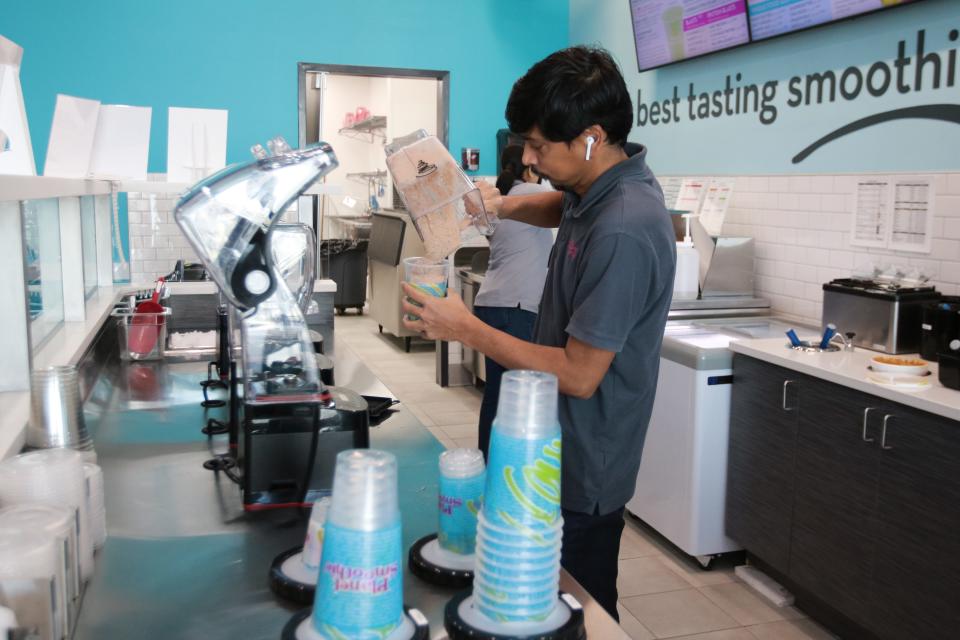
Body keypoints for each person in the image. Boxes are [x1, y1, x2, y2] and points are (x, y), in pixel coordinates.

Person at [401, 46, 675, 620]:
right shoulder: (594, 188)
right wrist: (499, 206)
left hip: (583, 462)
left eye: (538, 146)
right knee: (534, 596)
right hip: (548, 445)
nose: (528, 157)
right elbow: (559, 207)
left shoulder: (625, 226)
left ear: (591, 137)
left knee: (581, 606)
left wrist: (468, 328)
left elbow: (579, 375)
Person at [474, 144, 554, 459]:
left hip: (490, 302)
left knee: (495, 395)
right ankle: (510, 466)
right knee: (517, 398)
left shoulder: (497, 201)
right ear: (529, 166)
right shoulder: (532, 194)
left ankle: (488, 463)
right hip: (517, 307)